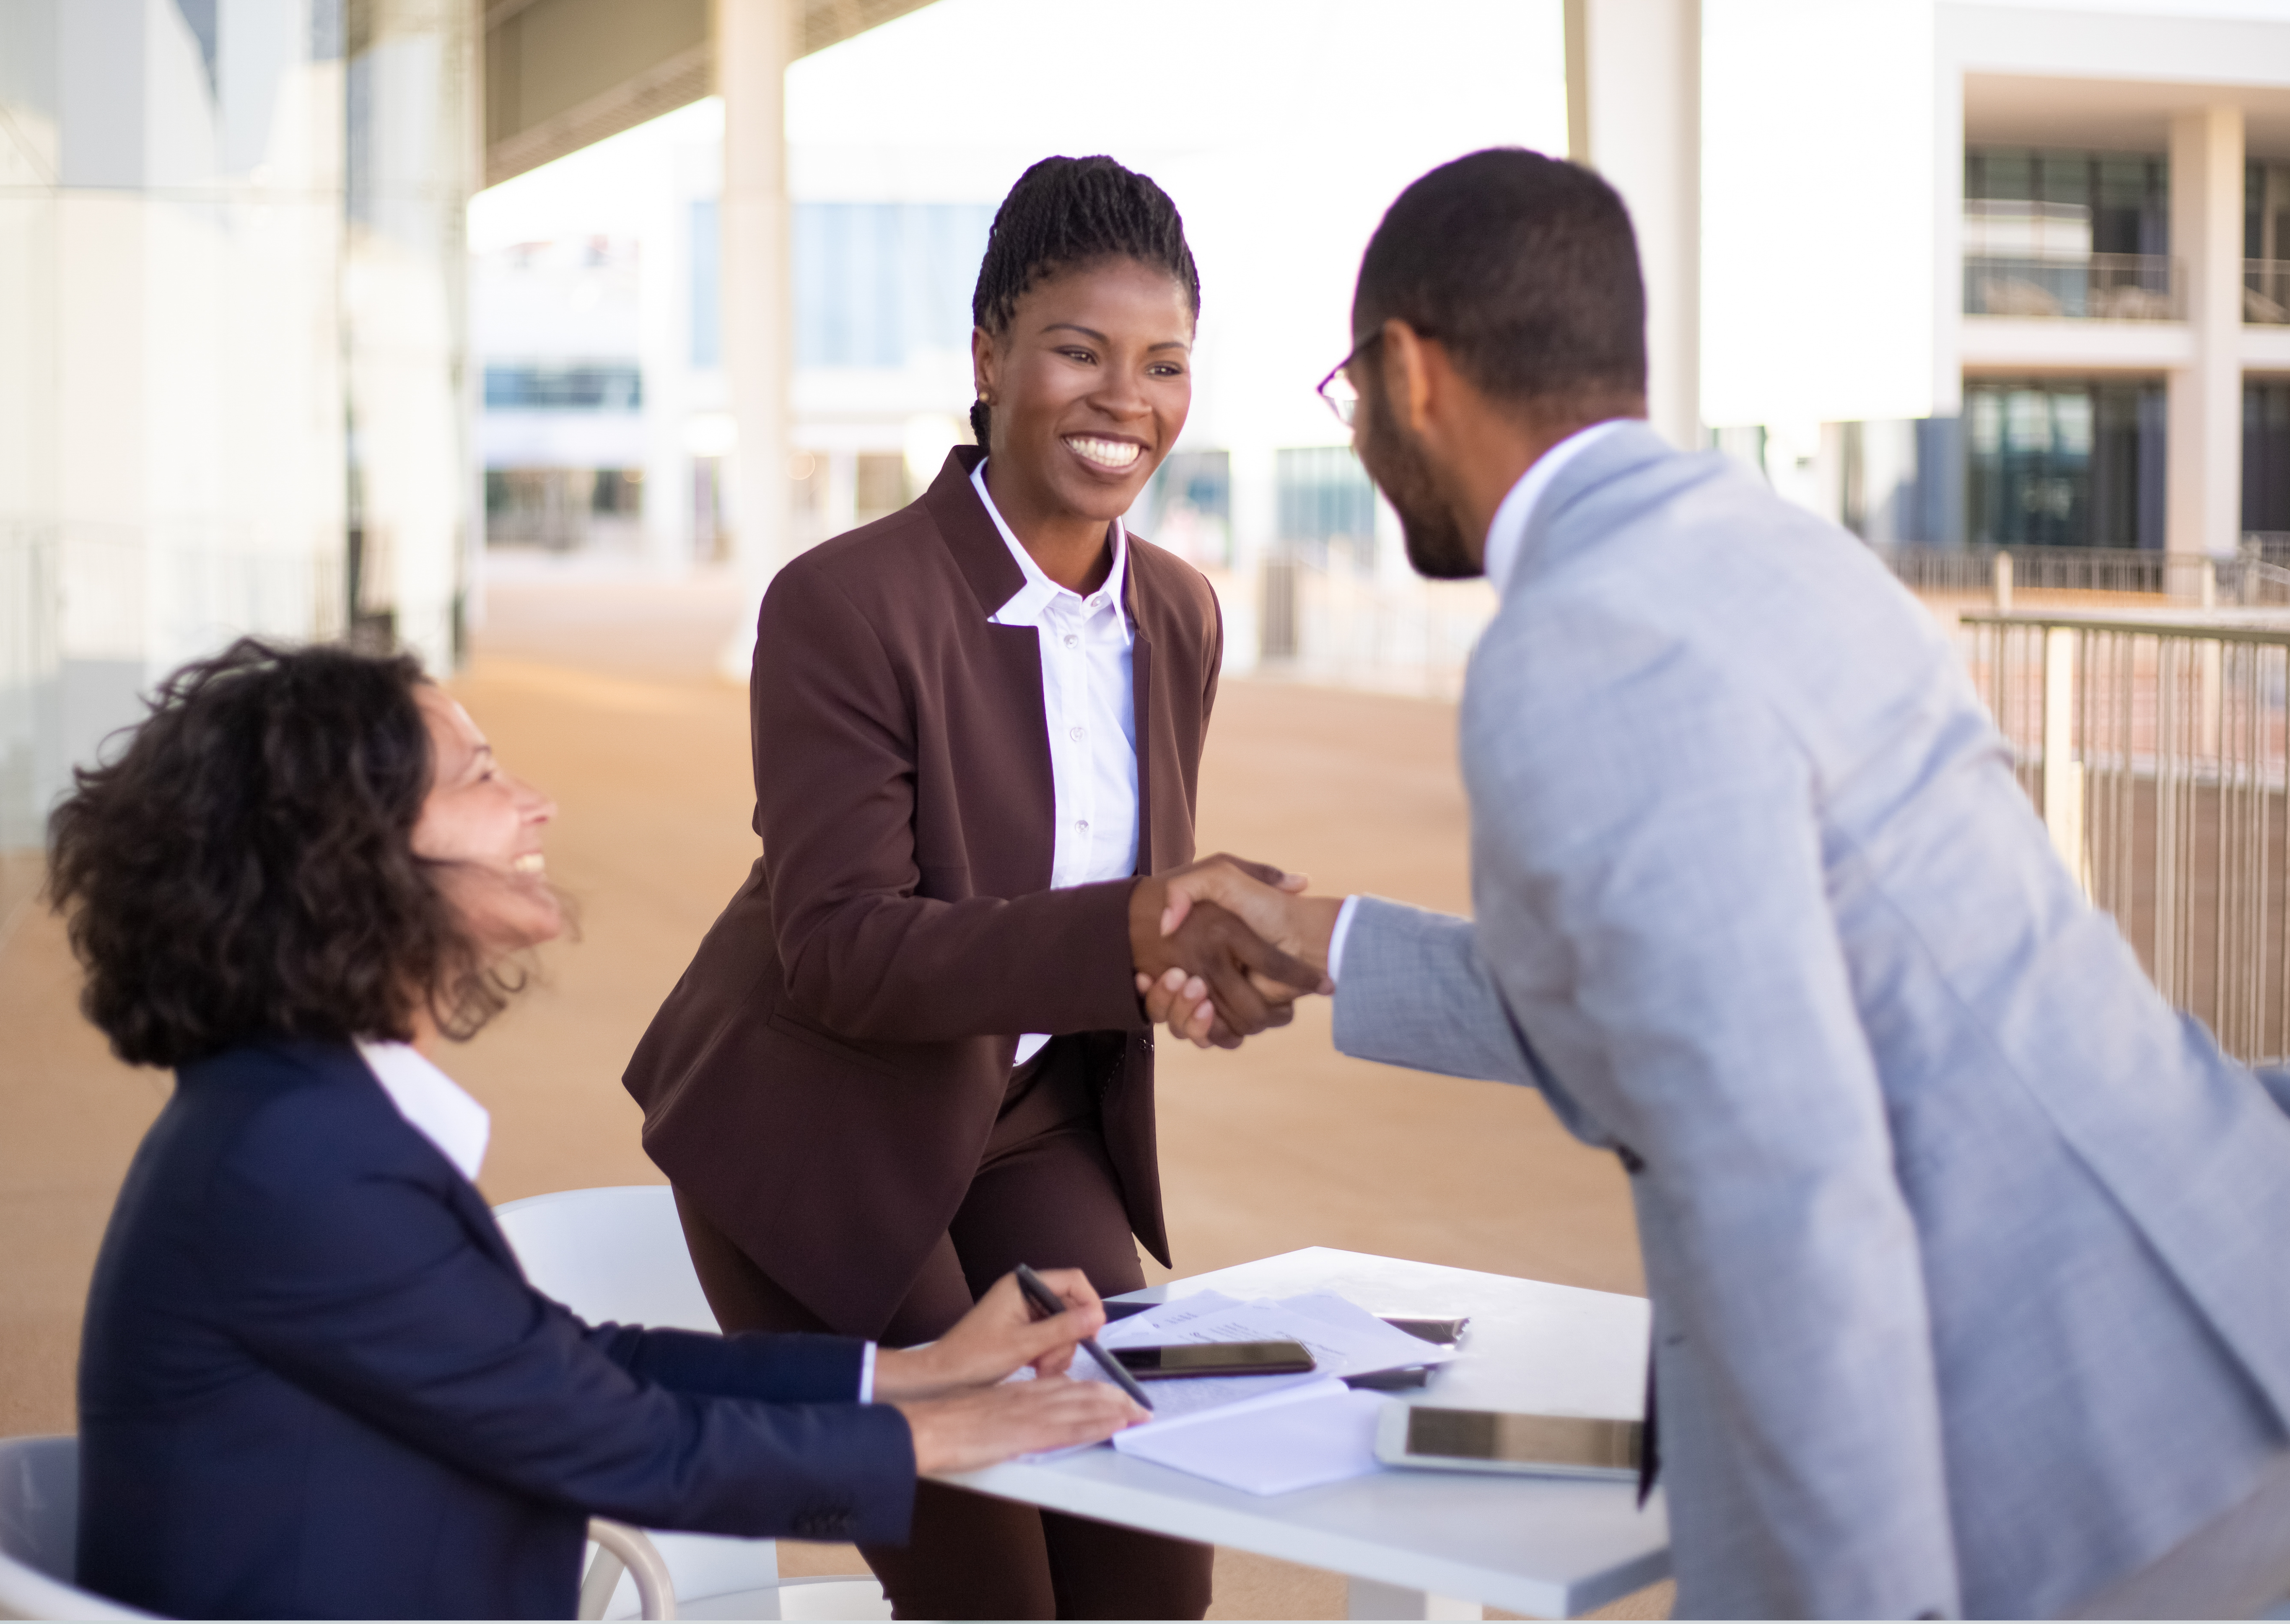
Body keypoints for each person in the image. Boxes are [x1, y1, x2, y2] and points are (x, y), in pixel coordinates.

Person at [1141, 148, 2290, 1620]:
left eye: (1350, 399)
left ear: (1410, 375)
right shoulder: (1775, 554)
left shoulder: (1578, 646)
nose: (1361, 439)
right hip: (2205, 1312)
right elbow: (1702, 993)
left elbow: (1783, 1175)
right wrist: (1325, 943)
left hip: (2076, 1458)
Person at [52, 638, 1146, 1621]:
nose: (537, 804)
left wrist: (914, 1374)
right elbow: (623, 1444)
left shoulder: (295, 1114)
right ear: (342, 852)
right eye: (480, 777)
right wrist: (943, 1435)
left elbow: (564, 1368)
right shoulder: (307, 1166)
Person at [621, 154, 1315, 1621]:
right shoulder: (843, 602)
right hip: (815, 1119)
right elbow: (841, 953)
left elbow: (1091, 907)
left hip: (1027, 1116)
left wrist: (1191, 966)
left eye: (1164, 363)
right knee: (988, 1592)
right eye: (1078, 350)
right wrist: (1132, 929)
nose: (1123, 398)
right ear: (990, 357)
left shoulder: (1177, 614)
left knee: (1146, 1553)